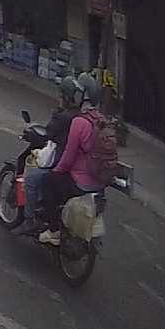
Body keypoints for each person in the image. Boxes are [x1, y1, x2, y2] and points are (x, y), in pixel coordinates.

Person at [39, 74, 106, 246]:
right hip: (100, 183)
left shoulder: (79, 122)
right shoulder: (101, 120)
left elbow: (68, 158)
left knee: (48, 181)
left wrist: (56, 171)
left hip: (80, 182)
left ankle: (53, 230)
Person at [18, 76, 83, 234]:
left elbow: (48, 133)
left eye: (60, 95)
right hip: (79, 165)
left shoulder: (62, 117)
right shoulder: (81, 116)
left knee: (31, 180)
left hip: (62, 164)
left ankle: (29, 220)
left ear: (65, 97)